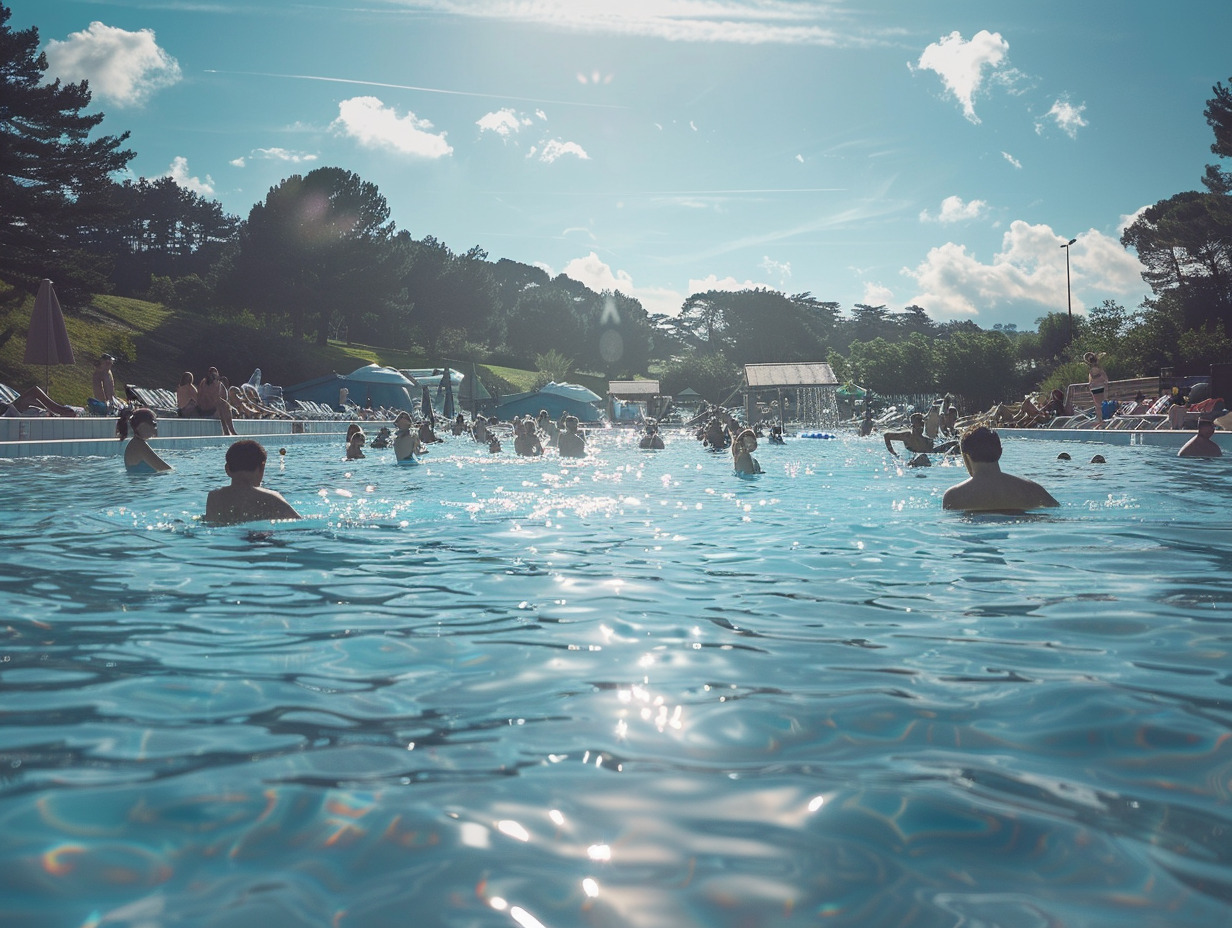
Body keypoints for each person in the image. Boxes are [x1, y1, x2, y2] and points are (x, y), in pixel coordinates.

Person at [942, 426, 1060, 512]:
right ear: (1000, 452)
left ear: (966, 456)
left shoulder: (954, 496)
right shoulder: (1031, 490)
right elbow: (1057, 513)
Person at [205, 440, 301, 526]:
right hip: (259, 542)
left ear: (227, 469)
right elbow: (299, 523)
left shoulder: (214, 497)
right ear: (262, 468)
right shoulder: (271, 497)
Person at [115, 406, 172, 473]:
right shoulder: (140, 446)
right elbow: (165, 469)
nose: (155, 428)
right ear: (142, 426)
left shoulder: (136, 443)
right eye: (153, 424)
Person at [884, 413, 958, 458]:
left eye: (922, 425)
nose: (922, 428)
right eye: (920, 426)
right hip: (922, 455)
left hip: (931, 453)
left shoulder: (927, 439)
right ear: (913, 426)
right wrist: (893, 453)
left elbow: (932, 451)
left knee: (955, 443)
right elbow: (886, 435)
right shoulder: (907, 435)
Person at [197, 367, 238, 436]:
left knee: (222, 408)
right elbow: (212, 397)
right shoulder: (209, 383)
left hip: (210, 406)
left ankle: (227, 431)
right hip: (206, 407)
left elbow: (221, 397)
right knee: (224, 406)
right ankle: (230, 430)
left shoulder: (205, 382)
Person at [3, 384, 78, 417]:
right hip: (6, 410)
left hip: (7, 407)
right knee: (34, 391)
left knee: (32, 398)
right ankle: (60, 410)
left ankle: (59, 410)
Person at [1084, 352, 1110, 425]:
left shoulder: (1091, 370)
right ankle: (1102, 418)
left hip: (1094, 388)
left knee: (1097, 404)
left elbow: (1090, 381)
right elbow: (1105, 377)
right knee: (1102, 403)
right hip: (1100, 386)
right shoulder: (1099, 368)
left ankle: (1100, 418)